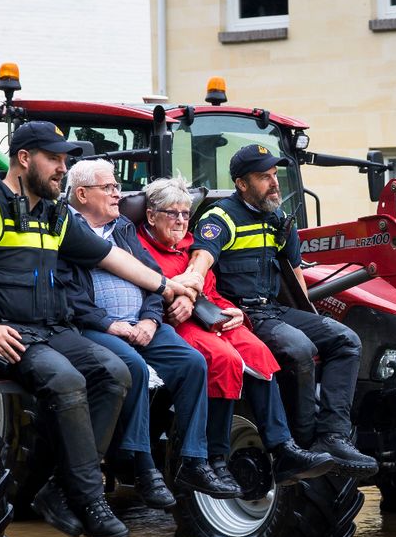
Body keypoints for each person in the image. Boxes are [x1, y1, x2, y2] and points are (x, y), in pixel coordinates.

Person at [0, 122, 192, 537]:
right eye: (54, 159)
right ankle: (88, 499)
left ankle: (58, 488)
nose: (62, 169)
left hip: (53, 328)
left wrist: (166, 286)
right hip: (6, 334)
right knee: (68, 381)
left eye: (64, 160)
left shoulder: (54, 214)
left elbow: (108, 256)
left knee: (115, 372)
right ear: (24, 158)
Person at [177, 144, 379, 478]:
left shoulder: (280, 219)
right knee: (299, 348)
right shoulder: (221, 217)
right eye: (263, 177)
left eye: (274, 175)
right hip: (239, 316)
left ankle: (332, 436)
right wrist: (193, 278)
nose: (274, 183)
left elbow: (295, 274)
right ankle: (299, 445)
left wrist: (314, 317)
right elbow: (203, 256)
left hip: (274, 311)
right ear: (242, 184)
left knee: (345, 339)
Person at [136, 176, 335, 486]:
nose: (180, 221)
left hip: (211, 314)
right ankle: (216, 457)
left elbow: (212, 290)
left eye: (185, 214)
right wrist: (183, 300)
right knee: (223, 359)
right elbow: (146, 294)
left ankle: (283, 447)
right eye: (172, 213)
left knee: (259, 353)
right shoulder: (139, 248)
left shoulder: (192, 246)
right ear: (151, 215)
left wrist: (235, 312)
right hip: (176, 323)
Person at [64, 159, 241, 502]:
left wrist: (149, 319)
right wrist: (109, 324)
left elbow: (152, 281)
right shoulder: (66, 231)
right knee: (133, 368)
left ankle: (193, 460)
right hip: (95, 326)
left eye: (117, 187)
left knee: (192, 364)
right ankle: (144, 469)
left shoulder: (122, 229)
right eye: (109, 188)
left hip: (143, 322)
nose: (118, 194)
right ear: (82, 194)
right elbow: (66, 293)